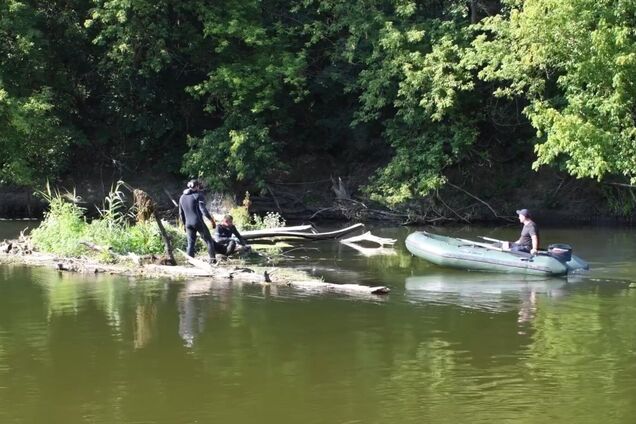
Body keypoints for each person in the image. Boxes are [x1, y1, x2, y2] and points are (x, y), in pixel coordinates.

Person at [178, 179, 217, 263]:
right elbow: (203, 210)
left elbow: (181, 214)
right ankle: (213, 260)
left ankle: (190, 262)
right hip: (198, 222)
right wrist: (211, 220)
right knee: (209, 241)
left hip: (188, 224)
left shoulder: (182, 197)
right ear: (196, 186)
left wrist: (184, 225)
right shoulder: (198, 195)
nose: (200, 188)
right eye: (199, 186)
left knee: (190, 244)